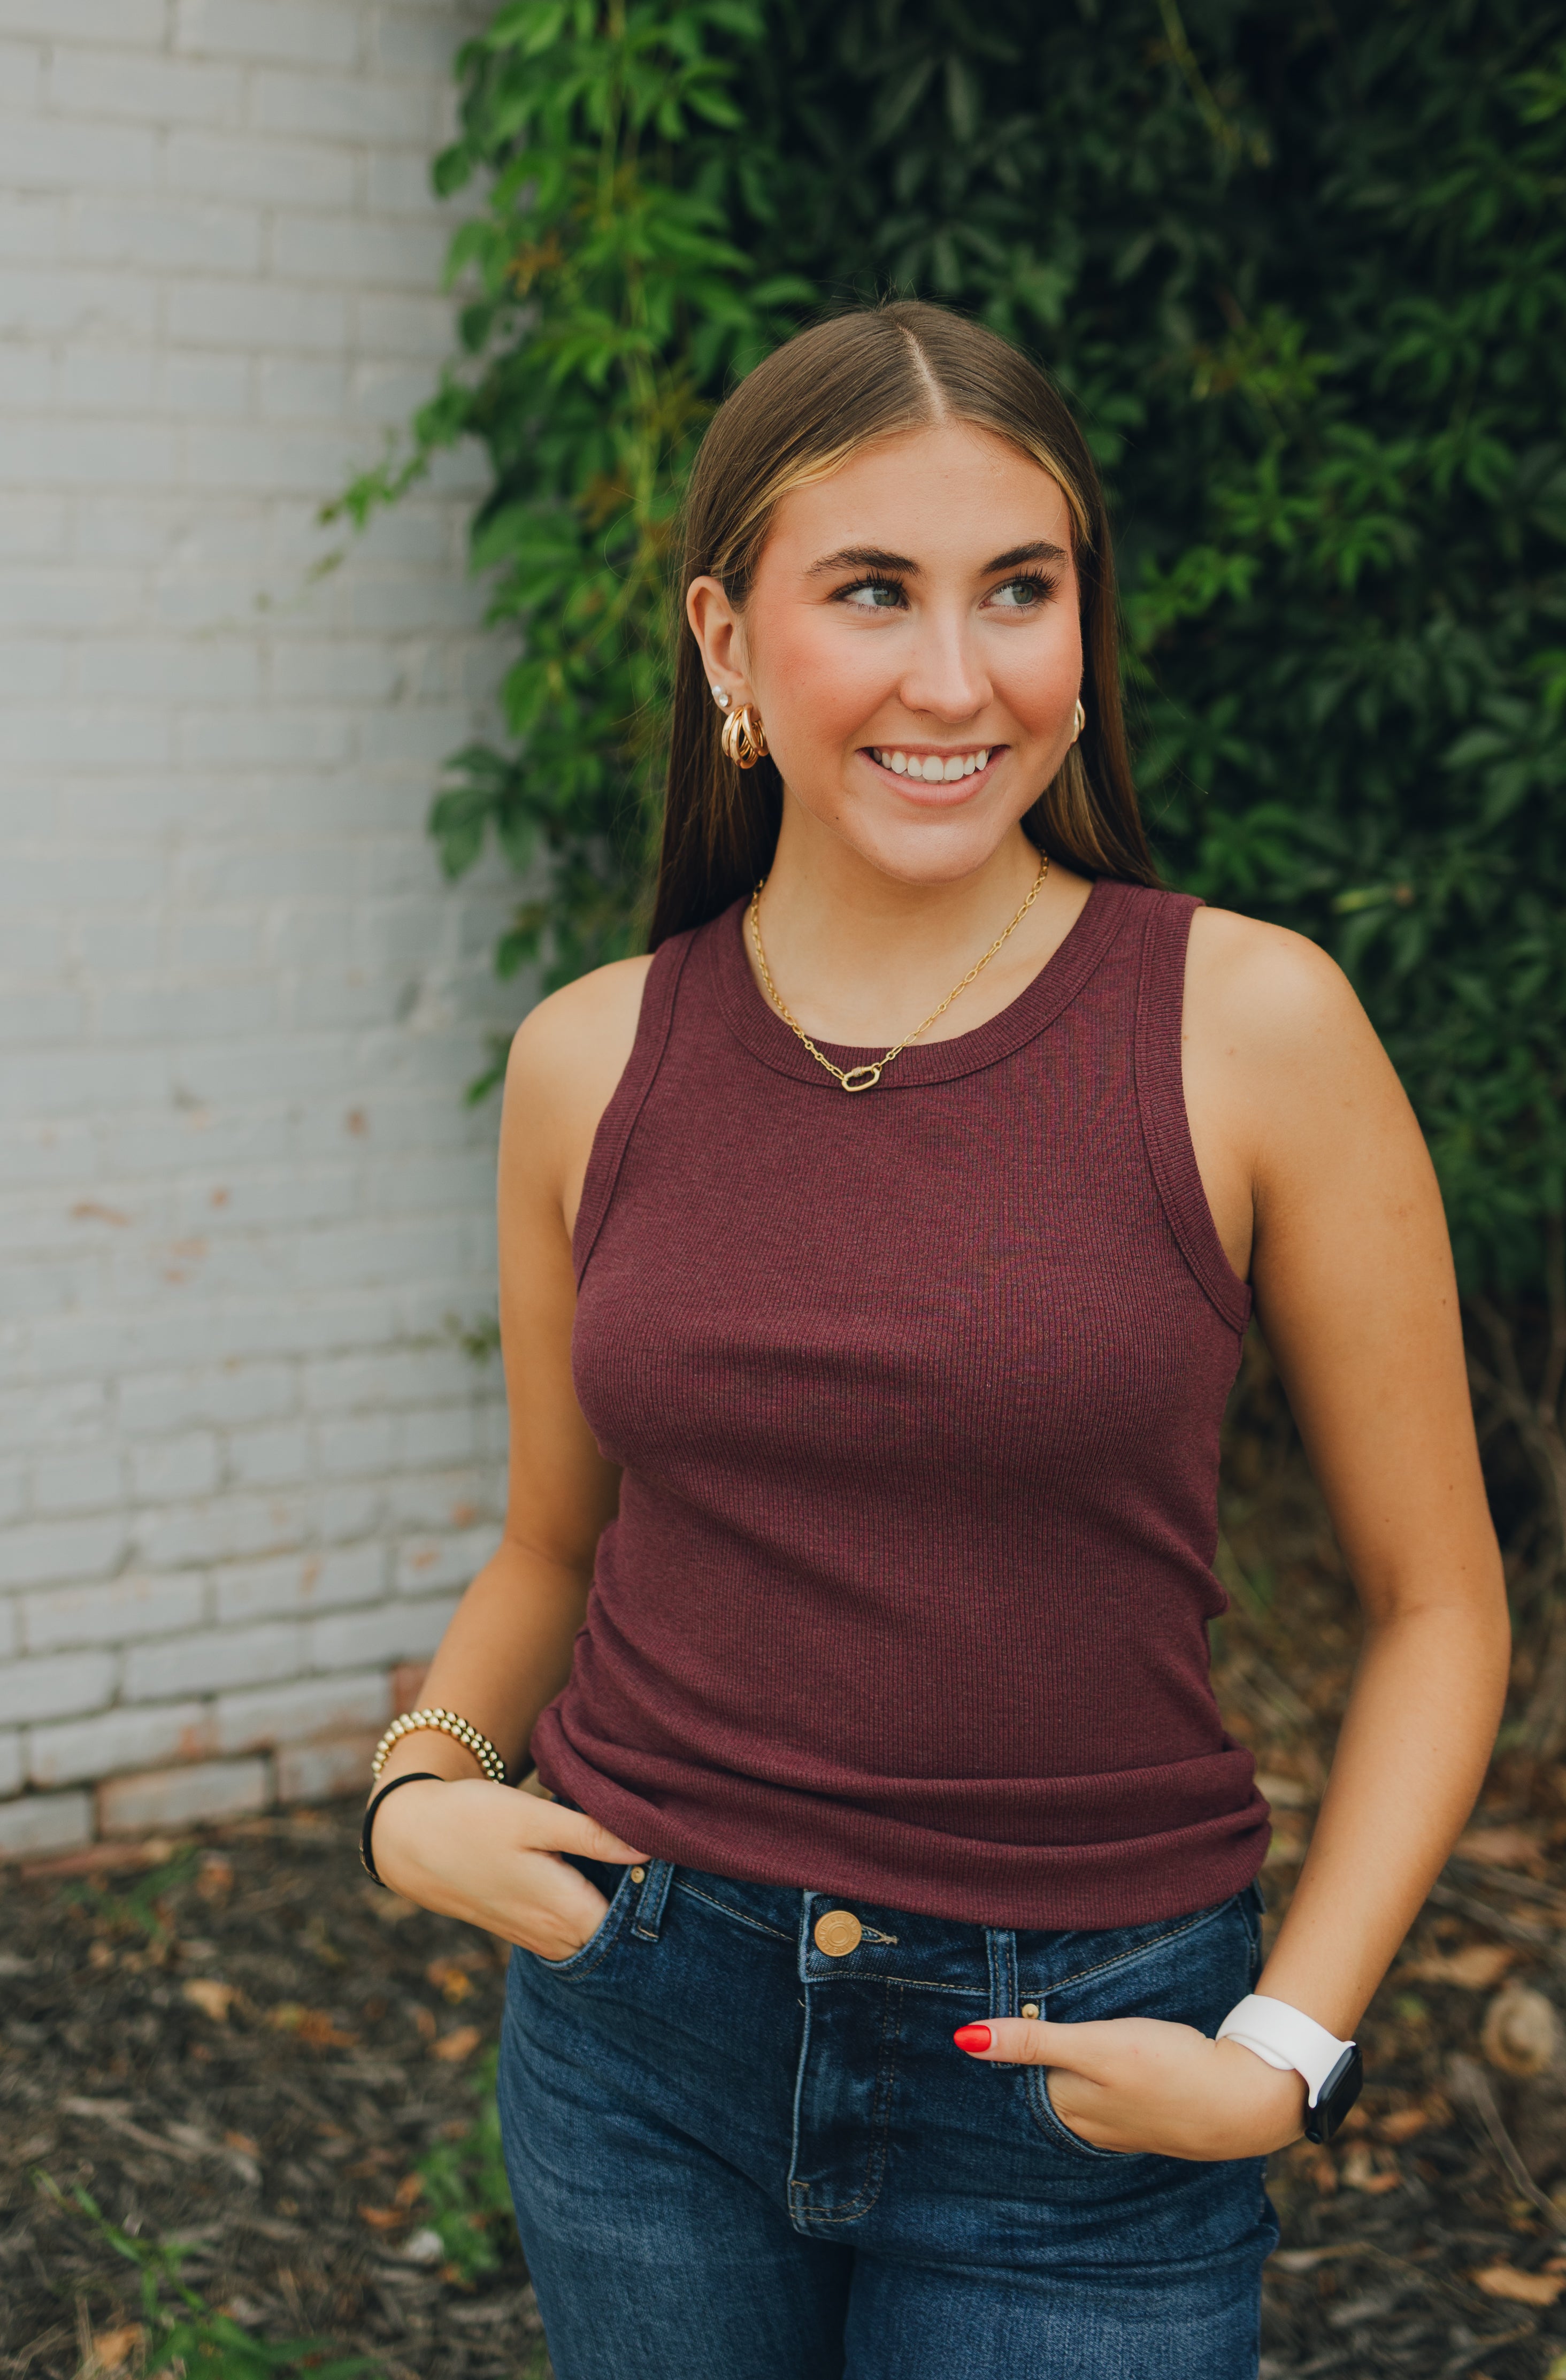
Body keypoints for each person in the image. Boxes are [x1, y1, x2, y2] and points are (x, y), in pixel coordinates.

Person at [361, 301, 1508, 2379]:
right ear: (727, 641)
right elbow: (551, 1543)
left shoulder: (1250, 1027)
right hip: (641, 2029)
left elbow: (1438, 1605)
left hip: (1079, 2074)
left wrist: (1285, 2051)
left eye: (1021, 591)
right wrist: (416, 1788)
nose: (959, 679)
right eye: (873, 590)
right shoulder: (588, 1060)